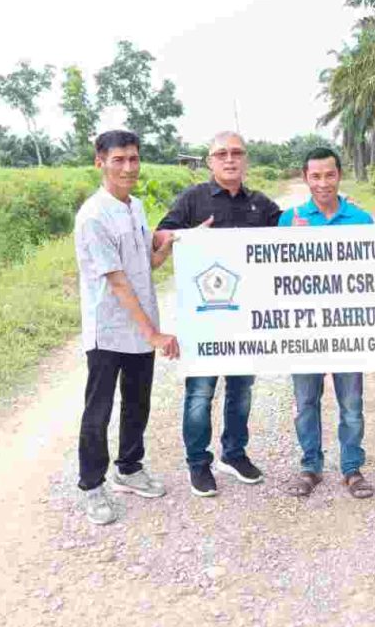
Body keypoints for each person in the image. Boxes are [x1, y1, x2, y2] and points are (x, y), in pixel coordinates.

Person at [154, 131, 282, 497]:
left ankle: (234, 453)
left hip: (247, 318)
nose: (230, 159)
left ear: (246, 160)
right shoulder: (193, 199)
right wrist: (186, 235)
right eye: (221, 154)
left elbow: (292, 238)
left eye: (237, 153)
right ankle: (198, 463)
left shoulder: (261, 205)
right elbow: (160, 235)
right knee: (200, 392)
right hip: (204, 319)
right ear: (209, 162)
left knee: (241, 390)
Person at [74, 130, 180, 525]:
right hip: (109, 330)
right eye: (118, 160)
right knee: (98, 410)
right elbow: (117, 281)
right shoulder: (93, 216)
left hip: (141, 324)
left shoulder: (134, 207)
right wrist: (153, 333)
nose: (128, 167)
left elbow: (144, 265)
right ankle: (91, 486)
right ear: (99, 162)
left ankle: (130, 469)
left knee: (138, 402)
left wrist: (166, 247)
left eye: (133, 159)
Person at [278, 147, 374, 499]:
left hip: (347, 328)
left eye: (329, 175)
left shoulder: (361, 220)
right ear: (305, 178)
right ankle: (310, 467)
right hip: (303, 330)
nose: (323, 183)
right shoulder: (289, 220)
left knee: (351, 405)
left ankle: (352, 469)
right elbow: (276, 276)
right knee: (306, 403)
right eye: (315, 176)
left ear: (339, 175)